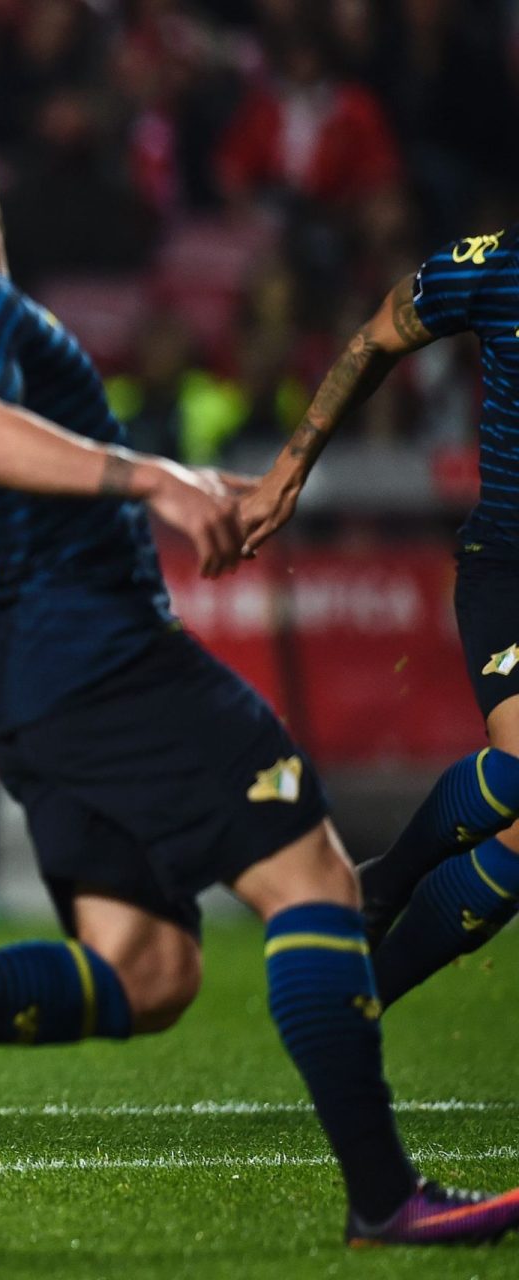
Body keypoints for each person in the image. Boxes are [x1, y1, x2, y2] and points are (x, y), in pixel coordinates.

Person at [0, 91, 519, 1246]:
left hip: (29, 671)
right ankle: (386, 1197)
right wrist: (159, 479)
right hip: (105, 650)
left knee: (145, 969)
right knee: (315, 882)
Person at [240, 222, 519, 1011]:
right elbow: (376, 339)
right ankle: (387, 882)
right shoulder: (493, 266)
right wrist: (289, 471)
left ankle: (366, 1000)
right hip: (509, 570)